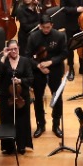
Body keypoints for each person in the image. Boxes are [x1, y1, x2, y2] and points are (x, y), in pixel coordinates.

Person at [26, 8, 67, 138]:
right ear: (39, 26)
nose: (46, 30)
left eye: (48, 27)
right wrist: (38, 65)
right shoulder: (33, 37)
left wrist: (51, 62)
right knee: (38, 98)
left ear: (52, 25)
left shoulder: (60, 36)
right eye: (43, 27)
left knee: (57, 97)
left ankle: (56, 124)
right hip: (38, 71)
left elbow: (64, 53)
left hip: (54, 70)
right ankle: (40, 124)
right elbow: (27, 56)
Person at [0, 38, 36, 154]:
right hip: (7, 97)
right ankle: (8, 146)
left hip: (22, 97)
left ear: (19, 48)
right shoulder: (4, 61)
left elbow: (31, 79)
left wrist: (20, 81)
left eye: (15, 49)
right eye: (10, 49)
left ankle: (21, 145)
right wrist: (3, 56)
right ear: (7, 50)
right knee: (7, 121)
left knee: (22, 121)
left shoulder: (25, 61)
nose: (13, 51)